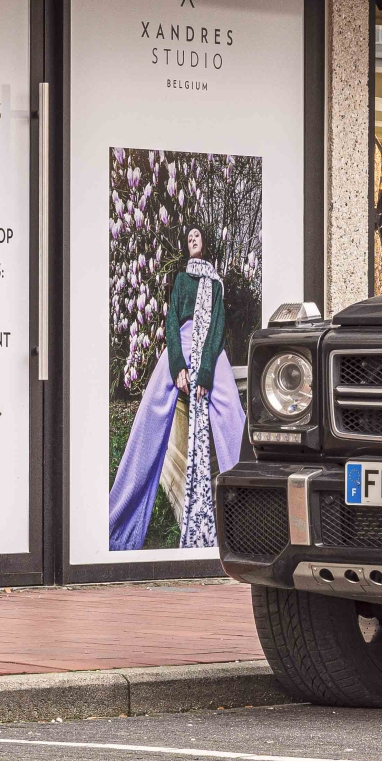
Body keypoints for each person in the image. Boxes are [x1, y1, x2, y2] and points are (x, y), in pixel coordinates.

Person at [106, 227, 244, 550]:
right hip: (180, 343)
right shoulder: (181, 281)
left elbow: (217, 328)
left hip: (210, 348)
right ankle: (120, 517)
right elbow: (170, 323)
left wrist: (206, 371)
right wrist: (178, 365)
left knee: (232, 411)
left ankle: (249, 518)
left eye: (197, 236)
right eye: (189, 237)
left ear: (206, 243)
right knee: (149, 411)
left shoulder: (215, 285)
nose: (192, 240)